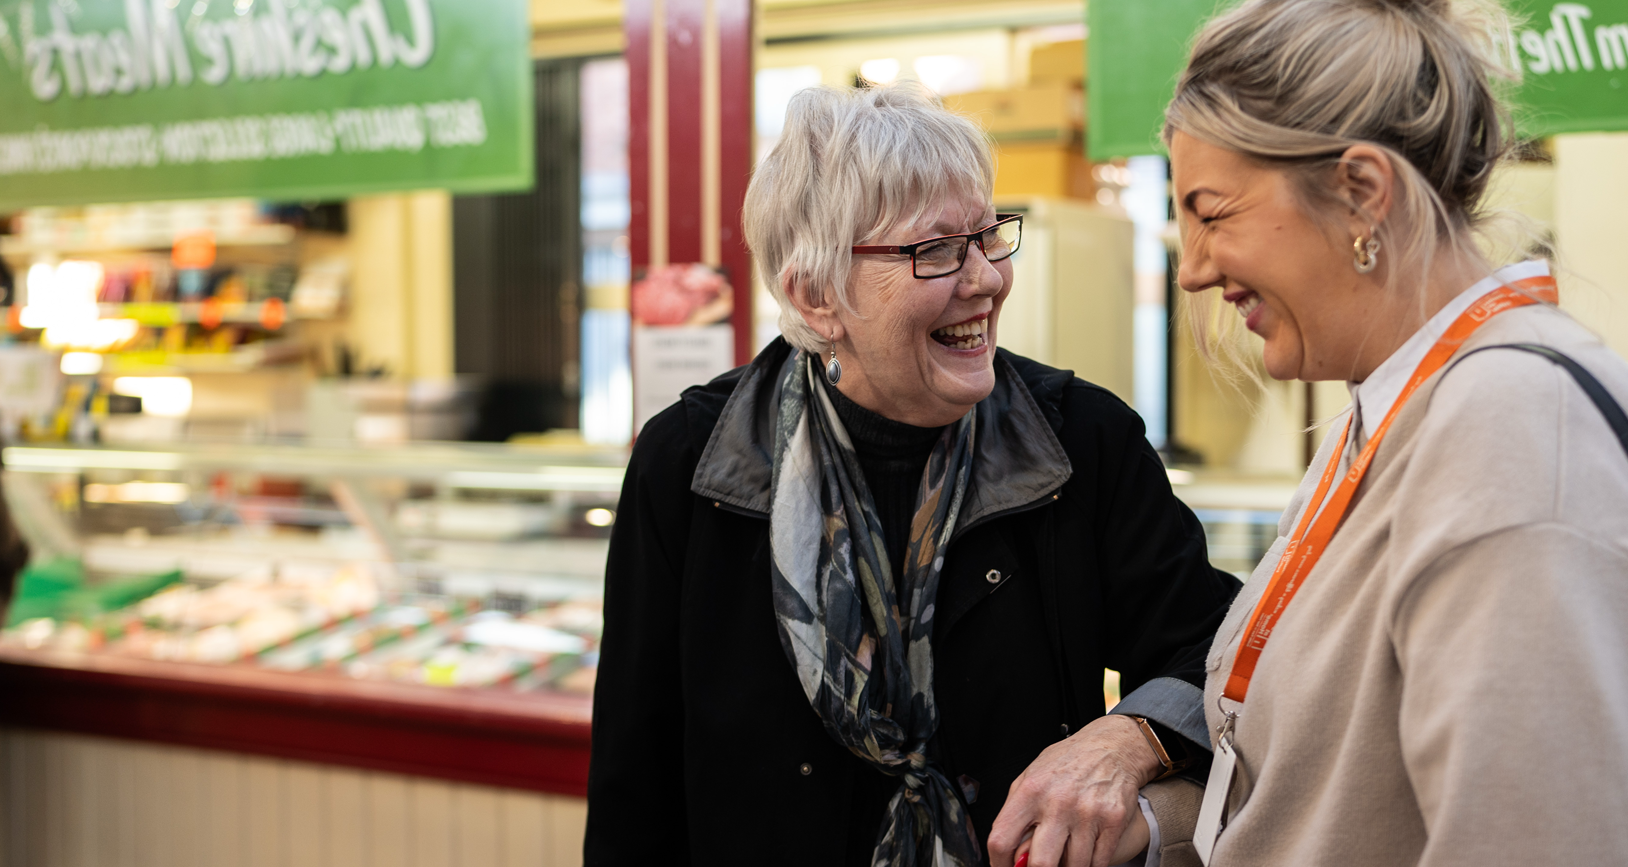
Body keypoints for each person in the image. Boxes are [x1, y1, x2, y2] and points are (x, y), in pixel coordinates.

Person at [996, 0, 1628, 864]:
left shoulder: (1508, 429)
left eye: (1213, 213)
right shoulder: (1394, 414)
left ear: (1363, 192)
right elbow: (1327, 793)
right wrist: (1147, 830)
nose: (1199, 267)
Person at [585, 81, 1240, 867]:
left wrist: (1127, 737)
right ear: (816, 294)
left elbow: (1216, 650)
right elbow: (635, 779)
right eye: (934, 251)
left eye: (989, 235)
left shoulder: (1081, 441)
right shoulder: (692, 460)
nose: (986, 279)